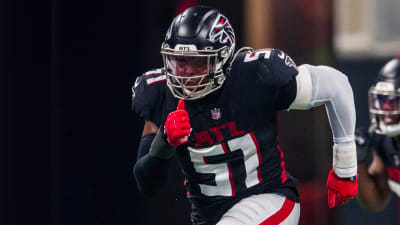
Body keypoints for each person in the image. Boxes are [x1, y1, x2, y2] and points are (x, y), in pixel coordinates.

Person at [132, 6, 358, 225]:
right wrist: (164, 142)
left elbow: (336, 85)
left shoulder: (256, 77)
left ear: (223, 59)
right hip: (209, 216)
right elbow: (147, 183)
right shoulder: (159, 93)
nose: (187, 73)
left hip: (269, 199)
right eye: (180, 61)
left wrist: (345, 167)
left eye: (198, 61)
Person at [356, 58, 400, 212]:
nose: (386, 107)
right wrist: (358, 162)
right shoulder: (383, 139)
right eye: (381, 99)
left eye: (393, 100)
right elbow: (375, 201)